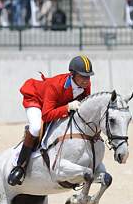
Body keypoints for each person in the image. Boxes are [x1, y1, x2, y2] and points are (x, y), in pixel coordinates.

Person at [7, 55, 94, 186]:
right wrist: (67, 107)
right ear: (73, 74)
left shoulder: (85, 84)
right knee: (36, 127)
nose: (86, 80)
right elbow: (46, 115)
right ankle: (19, 167)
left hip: (56, 104)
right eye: (83, 76)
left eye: (88, 76)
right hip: (36, 99)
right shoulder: (56, 86)